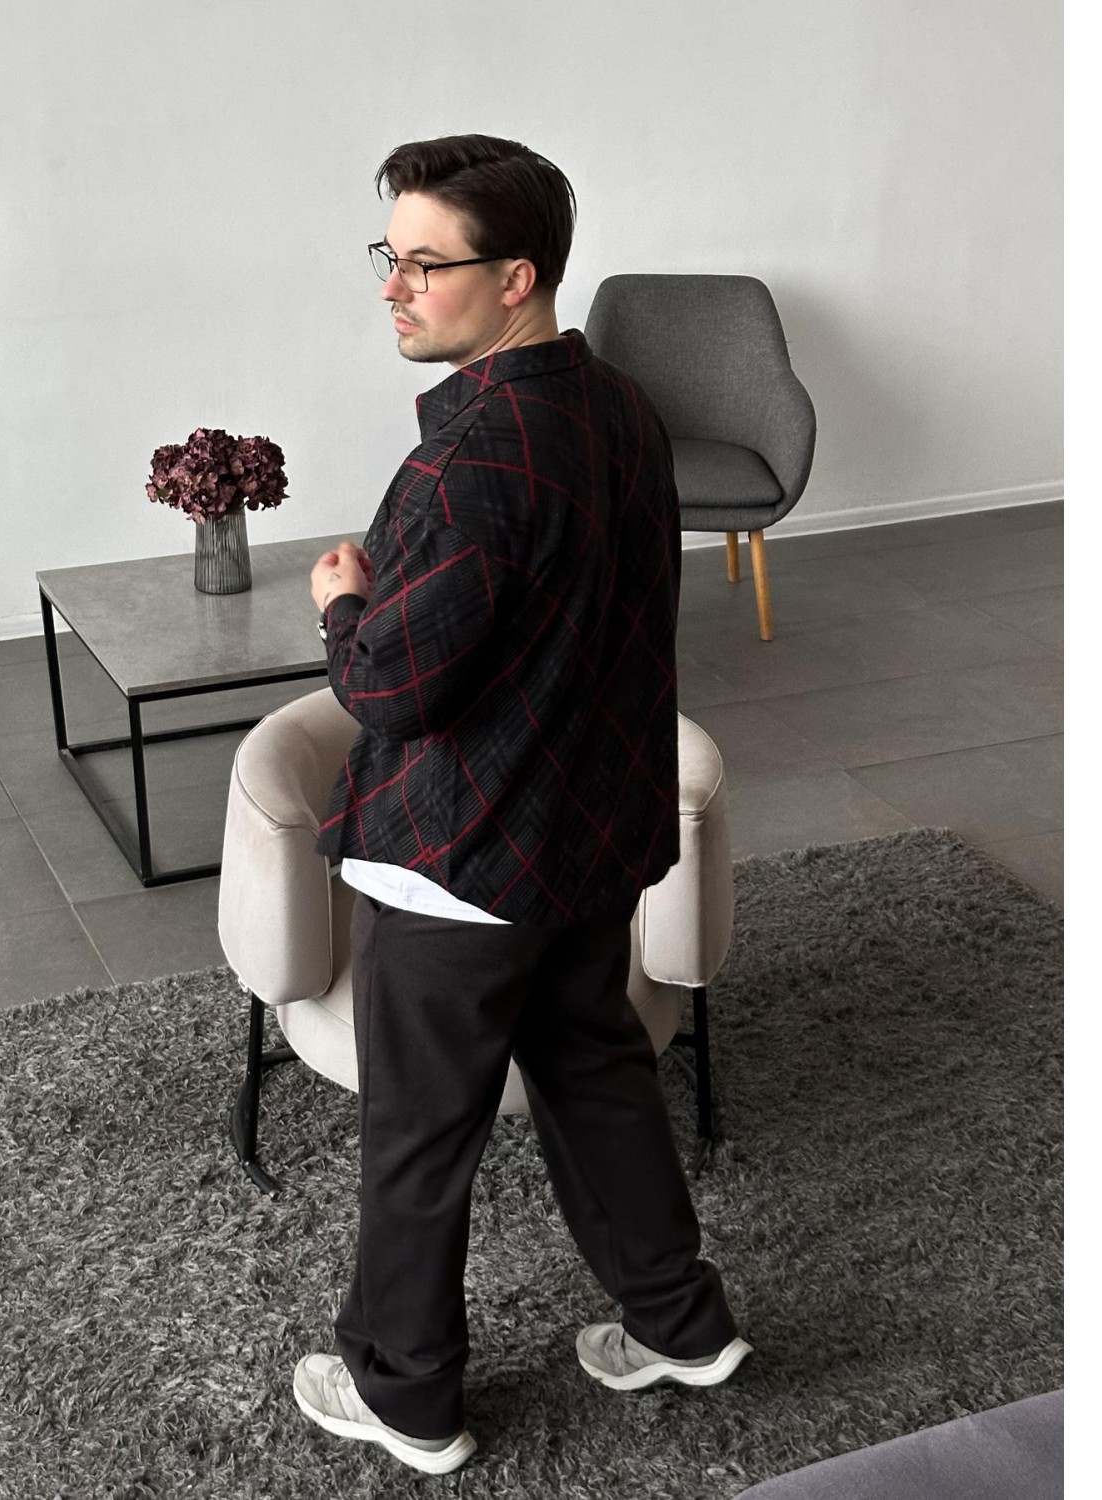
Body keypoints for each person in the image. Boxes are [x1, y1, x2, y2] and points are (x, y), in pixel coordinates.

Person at [294, 133, 751, 1476]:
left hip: (461, 855)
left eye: (425, 264)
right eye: (389, 257)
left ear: (517, 278)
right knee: (597, 1078)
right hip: (587, 839)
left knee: (420, 1134)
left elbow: (392, 689)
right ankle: (681, 1325)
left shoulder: (471, 462)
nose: (394, 287)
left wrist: (344, 604)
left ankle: (405, 1392)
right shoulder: (620, 409)